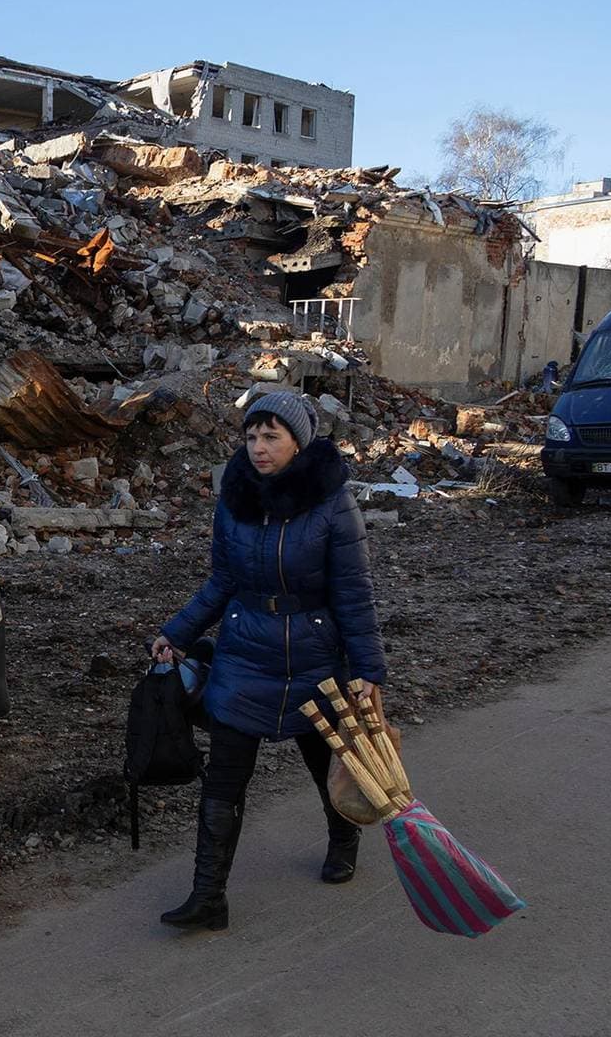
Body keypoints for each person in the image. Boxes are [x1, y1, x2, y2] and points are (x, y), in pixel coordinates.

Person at [149, 391, 387, 932]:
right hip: (244, 654)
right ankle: (208, 896)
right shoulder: (235, 499)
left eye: (271, 436)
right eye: (251, 436)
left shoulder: (332, 503)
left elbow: (354, 593)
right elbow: (222, 582)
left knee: (326, 763)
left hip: (313, 656)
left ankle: (343, 837)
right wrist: (176, 633)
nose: (258, 448)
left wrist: (368, 672)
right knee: (224, 779)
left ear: (297, 441)